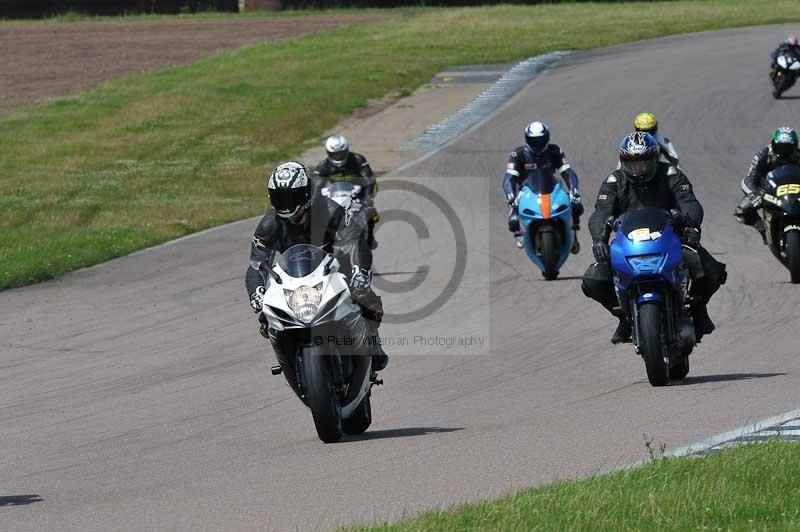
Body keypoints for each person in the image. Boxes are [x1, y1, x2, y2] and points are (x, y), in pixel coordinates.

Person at [245, 161, 388, 377]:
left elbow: (356, 240)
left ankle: (372, 343)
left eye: (292, 197)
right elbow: (257, 263)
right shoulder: (270, 223)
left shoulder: (330, 210)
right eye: (280, 197)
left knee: (366, 298)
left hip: (334, 268)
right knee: (266, 321)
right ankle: (289, 363)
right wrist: (256, 292)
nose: (286, 204)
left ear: (306, 193)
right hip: (295, 276)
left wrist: (360, 271)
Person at [581, 132, 727, 344]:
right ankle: (623, 316)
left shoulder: (670, 173)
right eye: (632, 163)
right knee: (593, 280)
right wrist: (599, 239)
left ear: (655, 157)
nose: (638, 168)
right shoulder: (614, 181)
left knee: (711, 272)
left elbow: (690, 202)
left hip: (671, 239)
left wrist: (690, 223)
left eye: (644, 162)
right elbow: (600, 213)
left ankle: (698, 309)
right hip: (628, 244)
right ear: (623, 161)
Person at [503, 121, 584, 252]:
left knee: (576, 205)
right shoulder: (518, 155)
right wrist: (511, 197)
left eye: (541, 140)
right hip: (526, 190)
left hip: (551, 187)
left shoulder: (555, 150)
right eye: (534, 141)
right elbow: (509, 179)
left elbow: (568, 172)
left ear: (547, 138)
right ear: (527, 139)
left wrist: (574, 191)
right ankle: (519, 233)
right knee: (513, 220)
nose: (538, 144)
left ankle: (573, 233)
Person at [734, 127, 800, 244]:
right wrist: (754, 194)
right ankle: (764, 231)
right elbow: (749, 179)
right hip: (768, 190)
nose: (784, 152)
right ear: (773, 145)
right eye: (780, 148)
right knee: (742, 211)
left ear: (795, 147)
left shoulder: (799, 155)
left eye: (788, 149)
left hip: (796, 188)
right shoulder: (764, 155)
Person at [315, 135, 380, 248]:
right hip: (336, 195)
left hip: (358, 194)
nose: (338, 156)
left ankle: (369, 237)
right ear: (328, 153)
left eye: (341, 153)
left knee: (371, 212)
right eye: (335, 154)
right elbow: (316, 187)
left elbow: (370, 180)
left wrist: (369, 200)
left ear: (346, 150)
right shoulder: (323, 166)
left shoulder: (358, 160)